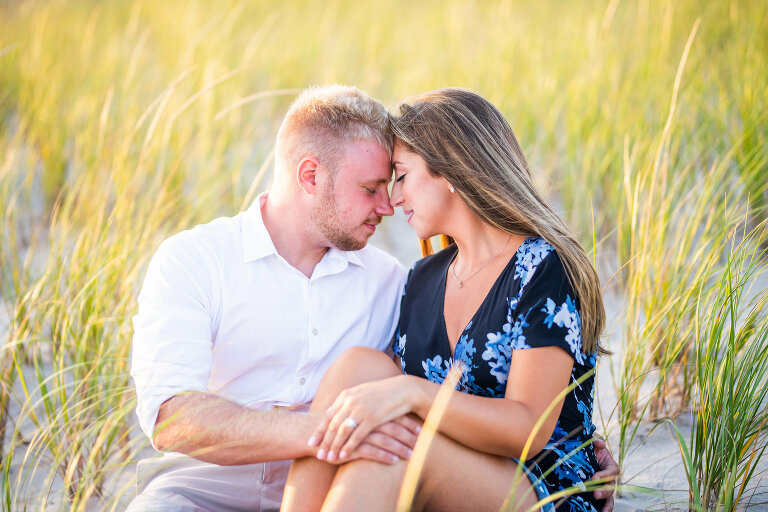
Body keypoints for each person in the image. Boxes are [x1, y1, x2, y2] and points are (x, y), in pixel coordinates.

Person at [281, 88, 615, 512]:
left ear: (451, 169)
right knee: (358, 368)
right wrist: (403, 396)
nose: (393, 199)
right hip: (454, 474)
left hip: (542, 487)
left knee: (398, 452)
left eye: (401, 176)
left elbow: (528, 428)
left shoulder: (542, 267)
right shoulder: (422, 278)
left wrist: (414, 394)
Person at [128, 85, 420, 511]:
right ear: (310, 176)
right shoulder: (194, 260)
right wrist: (323, 431)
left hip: (333, 492)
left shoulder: (389, 282)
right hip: (201, 490)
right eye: (370, 189)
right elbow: (173, 420)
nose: (386, 206)